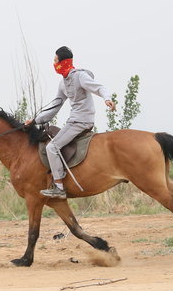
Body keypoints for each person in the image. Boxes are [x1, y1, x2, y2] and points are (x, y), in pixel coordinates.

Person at [27, 46, 115, 199]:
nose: (54, 64)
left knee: (52, 148)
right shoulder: (63, 83)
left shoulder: (80, 76)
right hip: (73, 121)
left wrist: (107, 98)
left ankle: (59, 187)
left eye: (55, 60)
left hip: (81, 121)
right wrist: (35, 120)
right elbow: (56, 105)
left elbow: (99, 87)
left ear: (64, 62)